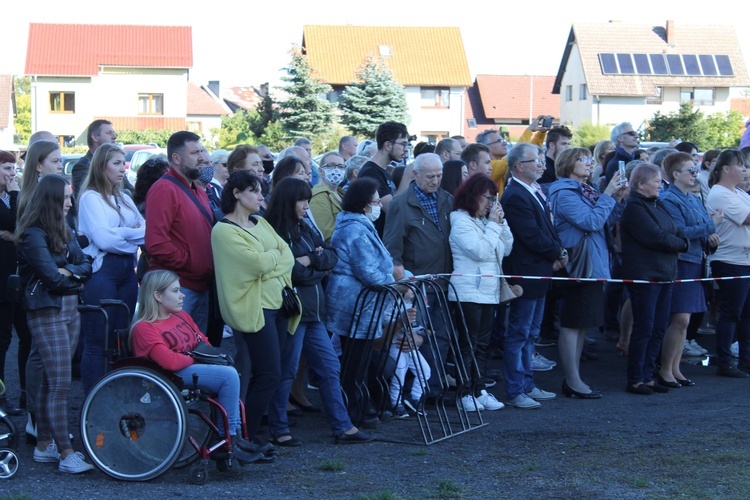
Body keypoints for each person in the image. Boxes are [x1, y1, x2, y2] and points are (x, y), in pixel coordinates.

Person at [264, 177, 372, 444]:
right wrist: (316, 263)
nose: (305, 205)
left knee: (329, 366)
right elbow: (292, 271)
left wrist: (312, 259)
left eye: (307, 200)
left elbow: (331, 255)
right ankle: (278, 429)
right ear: (288, 201)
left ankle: (342, 426)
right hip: (294, 312)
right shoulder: (274, 231)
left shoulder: (303, 227)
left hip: (312, 313)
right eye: (302, 200)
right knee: (287, 370)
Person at [129, 270, 267, 464]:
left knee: (228, 372)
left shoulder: (181, 316)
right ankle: (229, 439)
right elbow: (169, 361)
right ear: (158, 296)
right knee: (228, 375)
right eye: (176, 291)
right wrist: (195, 357)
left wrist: (193, 356)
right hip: (168, 376)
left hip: (187, 368)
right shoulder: (144, 327)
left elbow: (205, 343)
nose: (182, 295)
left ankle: (234, 438)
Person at [211, 170, 299, 441]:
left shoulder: (260, 222)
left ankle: (246, 434)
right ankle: (242, 436)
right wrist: (271, 258)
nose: (261, 195)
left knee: (273, 372)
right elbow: (256, 264)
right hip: (255, 310)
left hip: (280, 306)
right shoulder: (223, 231)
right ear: (237, 194)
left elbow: (289, 256)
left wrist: (267, 261)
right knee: (268, 374)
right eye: (254, 190)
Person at [16, 174, 93, 473]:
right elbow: (51, 278)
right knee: (60, 384)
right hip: (47, 309)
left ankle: (43, 445)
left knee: (52, 381)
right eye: (65, 198)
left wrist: (69, 272)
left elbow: (85, 265)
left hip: (68, 307)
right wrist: (72, 275)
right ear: (51, 199)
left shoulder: (63, 228)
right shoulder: (34, 233)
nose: (70, 203)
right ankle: (65, 452)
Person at [548, 148, 627, 398]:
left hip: (592, 263)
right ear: (568, 164)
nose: (589, 163)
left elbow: (604, 220)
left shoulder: (587, 189)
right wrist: (608, 195)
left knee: (582, 324)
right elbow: (590, 222)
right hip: (579, 266)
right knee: (573, 322)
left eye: (589, 159)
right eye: (583, 159)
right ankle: (572, 380)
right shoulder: (565, 192)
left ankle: (575, 378)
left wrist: (617, 198)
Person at [383, 153, 453, 402]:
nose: (436, 180)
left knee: (441, 338)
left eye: (439, 175)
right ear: (416, 174)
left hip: (443, 283)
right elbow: (392, 249)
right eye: (430, 176)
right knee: (413, 340)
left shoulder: (447, 199)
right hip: (418, 285)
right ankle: (411, 394)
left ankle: (433, 391)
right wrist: (404, 284)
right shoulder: (401, 204)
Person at [500, 143, 565, 409]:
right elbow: (530, 235)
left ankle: (527, 384)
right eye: (534, 160)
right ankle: (516, 389)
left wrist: (558, 251)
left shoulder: (533, 191)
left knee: (531, 334)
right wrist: (557, 252)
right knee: (519, 333)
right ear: (518, 166)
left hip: (539, 273)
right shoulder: (515, 195)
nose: (541, 164)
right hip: (525, 275)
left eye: (541, 159)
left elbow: (547, 228)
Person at [325, 178, 395, 425]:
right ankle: (354, 409)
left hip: (360, 303)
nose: (378, 206)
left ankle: (361, 405)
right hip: (355, 304)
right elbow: (368, 271)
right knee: (355, 361)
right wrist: (394, 282)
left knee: (359, 359)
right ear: (365, 204)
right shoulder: (354, 228)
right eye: (376, 201)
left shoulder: (359, 224)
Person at [77, 144, 145, 395]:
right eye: (116, 163)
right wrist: (130, 236)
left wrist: (121, 234)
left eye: (122, 162)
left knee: (120, 336)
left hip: (127, 270)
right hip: (102, 270)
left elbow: (146, 231)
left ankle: (115, 396)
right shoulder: (90, 197)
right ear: (101, 166)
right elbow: (104, 241)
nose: (122, 168)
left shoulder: (125, 197)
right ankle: (94, 401)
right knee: (97, 340)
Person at [620, 163, 688, 394]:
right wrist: (681, 244)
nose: (661, 184)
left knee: (659, 327)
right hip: (645, 277)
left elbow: (676, 230)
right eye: (656, 180)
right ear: (640, 184)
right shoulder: (633, 208)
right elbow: (656, 237)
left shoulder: (657, 204)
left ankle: (648, 375)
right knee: (645, 328)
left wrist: (679, 242)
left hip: (665, 274)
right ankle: (635, 378)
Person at [448, 173, 514, 411]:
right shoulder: (459, 220)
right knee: (469, 343)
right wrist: (495, 226)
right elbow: (481, 252)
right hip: (467, 292)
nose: (490, 204)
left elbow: (506, 249)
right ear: (473, 196)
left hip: (488, 291)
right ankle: (464, 393)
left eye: (494, 199)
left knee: (482, 344)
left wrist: (501, 223)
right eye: (487, 198)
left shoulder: (487, 222)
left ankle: (479, 390)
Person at [658, 152, 721, 386]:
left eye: (696, 170)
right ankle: (665, 369)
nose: (696, 174)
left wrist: (709, 236)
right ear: (676, 174)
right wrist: (711, 226)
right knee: (680, 318)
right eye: (691, 170)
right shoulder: (668, 200)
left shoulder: (693, 199)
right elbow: (680, 232)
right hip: (681, 262)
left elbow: (700, 230)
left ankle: (674, 367)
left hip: (694, 261)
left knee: (685, 319)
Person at [145, 131, 214, 333]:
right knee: (176, 347)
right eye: (194, 153)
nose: (201, 157)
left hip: (200, 285)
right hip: (178, 287)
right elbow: (156, 243)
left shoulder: (198, 191)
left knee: (196, 348)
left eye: (201, 150)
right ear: (176, 158)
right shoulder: (164, 189)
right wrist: (190, 263)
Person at [706, 148, 750, 377]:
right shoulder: (720, 193)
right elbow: (747, 218)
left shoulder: (739, 192)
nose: (744, 169)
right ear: (726, 168)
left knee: (746, 314)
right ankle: (725, 362)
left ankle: (745, 360)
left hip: (745, 260)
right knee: (732, 312)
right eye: (740, 165)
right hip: (730, 260)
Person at [0, 151, 30, 415]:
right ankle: (1, 398)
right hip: (2, 282)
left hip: (18, 279)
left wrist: (14, 235)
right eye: (7, 168)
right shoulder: (8, 196)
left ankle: (25, 394)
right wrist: (13, 192)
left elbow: (22, 226)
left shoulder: (9, 196)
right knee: (2, 340)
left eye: (13, 168)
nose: (12, 173)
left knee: (26, 336)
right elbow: (15, 220)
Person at [358, 121, 410, 236]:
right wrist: (407, 176)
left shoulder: (382, 170)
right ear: (388, 145)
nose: (406, 149)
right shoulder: (371, 173)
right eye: (403, 144)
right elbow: (392, 209)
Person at [71, 120, 117, 198]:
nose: (114, 136)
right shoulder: (82, 166)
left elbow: (131, 191)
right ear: (95, 137)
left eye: (113, 132)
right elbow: (83, 196)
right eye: (109, 133)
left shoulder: (116, 163)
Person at [18, 140, 62, 218]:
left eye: (60, 161)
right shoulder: (35, 200)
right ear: (39, 166)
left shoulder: (56, 191)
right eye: (55, 161)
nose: (61, 166)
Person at [309, 151, 347, 243]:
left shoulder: (341, 193)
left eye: (340, 166)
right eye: (331, 165)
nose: (336, 169)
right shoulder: (318, 196)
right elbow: (327, 235)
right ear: (320, 170)